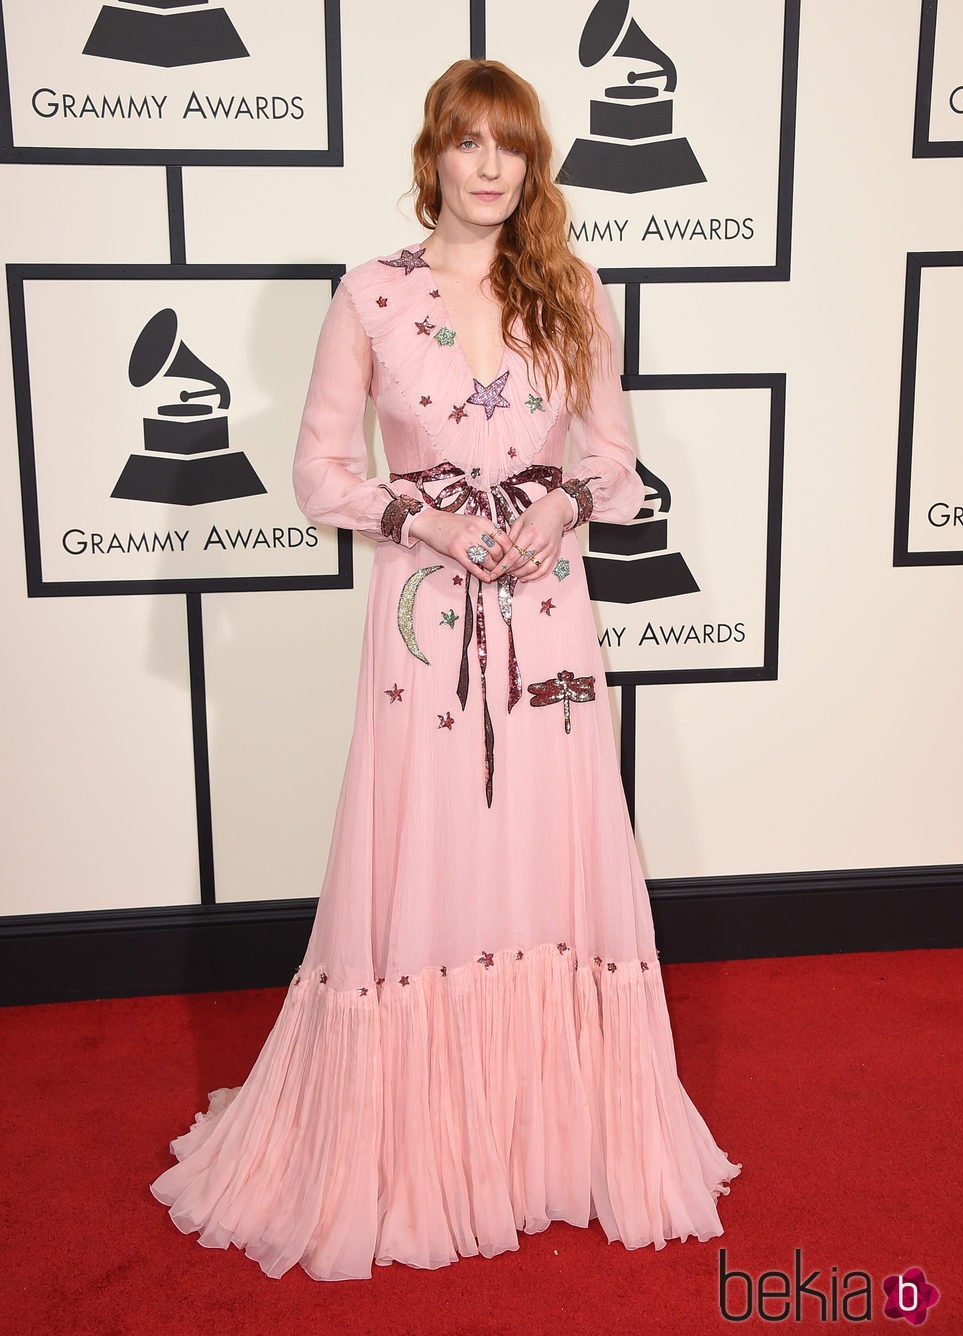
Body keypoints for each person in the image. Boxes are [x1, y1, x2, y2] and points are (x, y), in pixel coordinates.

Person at [150, 58, 740, 1283]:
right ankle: (411, 1152)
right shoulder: (368, 294)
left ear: (531, 164)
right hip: (424, 623)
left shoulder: (569, 288)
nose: (486, 166)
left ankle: (555, 1144)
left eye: (508, 146)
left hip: (547, 611)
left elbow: (621, 468)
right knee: (427, 859)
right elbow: (317, 474)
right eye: (466, 142)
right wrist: (423, 519)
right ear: (434, 153)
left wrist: (561, 504)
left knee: (546, 852)